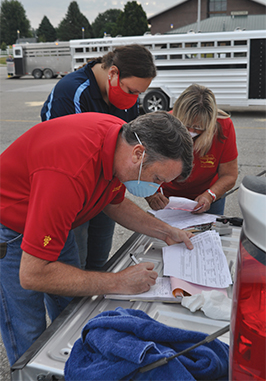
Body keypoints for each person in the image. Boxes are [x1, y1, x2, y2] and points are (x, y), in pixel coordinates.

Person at [0, 111, 194, 366]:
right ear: (139, 153)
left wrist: (167, 231)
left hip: (58, 219)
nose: (157, 188)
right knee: (28, 328)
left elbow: (113, 202)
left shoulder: (120, 143)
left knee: (72, 310)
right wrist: (118, 282)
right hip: (13, 229)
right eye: (157, 179)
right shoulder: (69, 173)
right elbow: (33, 274)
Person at [41, 44, 157, 271]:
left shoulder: (126, 99)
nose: (134, 99)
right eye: (132, 91)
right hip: (74, 195)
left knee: (99, 262)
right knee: (74, 265)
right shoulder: (72, 92)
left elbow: (133, 145)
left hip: (105, 190)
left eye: (139, 93)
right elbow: (69, 155)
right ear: (113, 73)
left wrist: (149, 186)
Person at [146, 84, 238, 215]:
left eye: (199, 127)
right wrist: (152, 194)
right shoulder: (162, 125)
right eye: (187, 125)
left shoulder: (224, 126)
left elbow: (229, 175)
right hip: (168, 199)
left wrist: (210, 195)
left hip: (209, 196)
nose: (192, 131)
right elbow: (142, 168)